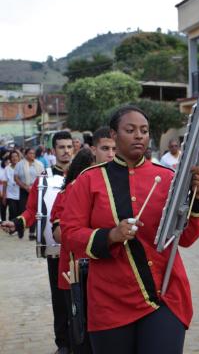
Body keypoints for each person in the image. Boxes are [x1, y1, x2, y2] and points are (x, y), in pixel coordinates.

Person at [61, 105, 199, 354]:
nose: (139, 135)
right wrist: (110, 235)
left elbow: (186, 238)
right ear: (114, 134)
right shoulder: (88, 180)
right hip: (109, 301)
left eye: (144, 130)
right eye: (130, 130)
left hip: (163, 295)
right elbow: (69, 235)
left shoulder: (169, 179)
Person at [1, 131, 74, 354]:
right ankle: (63, 343)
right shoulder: (44, 179)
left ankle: (83, 342)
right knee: (60, 299)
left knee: (82, 298)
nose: (66, 151)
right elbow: (32, 210)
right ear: (53, 151)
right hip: (54, 250)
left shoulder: (84, 175)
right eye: (61, 147)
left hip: (81, 249)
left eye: (69, 147)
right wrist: (18, 222)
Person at [51, 148, 95, 354]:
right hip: (76, 271)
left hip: (103, 272)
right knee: (79, 328)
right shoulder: (68, 192)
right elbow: (59, 233)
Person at [14, 147, 44, 240]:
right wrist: (25, 187)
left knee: (35, 210)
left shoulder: (39, 164)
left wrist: (35, 187)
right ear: (26, 154)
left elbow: (43, 177)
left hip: (36, 190)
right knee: (23, 209)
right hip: (24, 189)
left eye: (33, 153)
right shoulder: (20, 164)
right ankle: (20, 228)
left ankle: (32, 233)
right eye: (30, 153)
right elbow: (16, 177)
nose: (32, 155)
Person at [2, 150, 20, 221]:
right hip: (10, 195)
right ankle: (11, 227)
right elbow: (5, 183)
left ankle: (19, 229)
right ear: (10, 159)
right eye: (12, 157)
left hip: (20, 194)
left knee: (20, 212)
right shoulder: (7, 168)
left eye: (16, 156)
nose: (14, 158)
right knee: (12, 212)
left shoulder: (21, 167)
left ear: (18, 157)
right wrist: (4, 197)